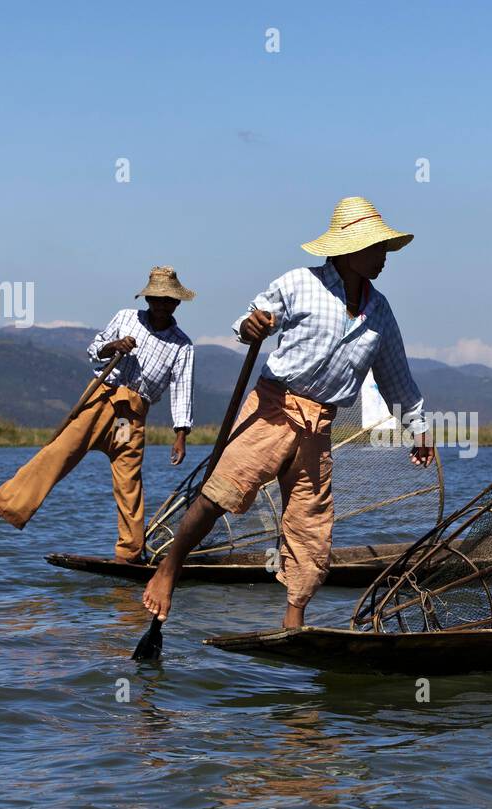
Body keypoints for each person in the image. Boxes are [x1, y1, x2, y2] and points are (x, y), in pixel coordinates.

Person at [141, 197, 434, 626]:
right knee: (221, 491)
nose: (383, 258)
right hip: (274, 408)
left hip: (319, 424)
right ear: (349, 250)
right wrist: (251, 326)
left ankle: (293, 617)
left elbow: (395, 376)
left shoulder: (380, 311)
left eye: (384, 248)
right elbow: (251, 320)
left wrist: (419, 426)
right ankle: (169, 568)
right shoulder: (300, 283)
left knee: (311, 527)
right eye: (376, 249)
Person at [0, 266, 196, 562]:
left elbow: (182, 389)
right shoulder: (126, 318)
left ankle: (130, 554)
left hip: (129, 418)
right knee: (58, 454)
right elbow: (93, 350)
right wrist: (114, 346)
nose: (161, 304)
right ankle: (3, 503)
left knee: (129, 483)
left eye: (168, 300)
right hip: (101, 401)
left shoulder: (182, 345)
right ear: (148, 299)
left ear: (177, 303)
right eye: (156, 298)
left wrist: (180, 435)